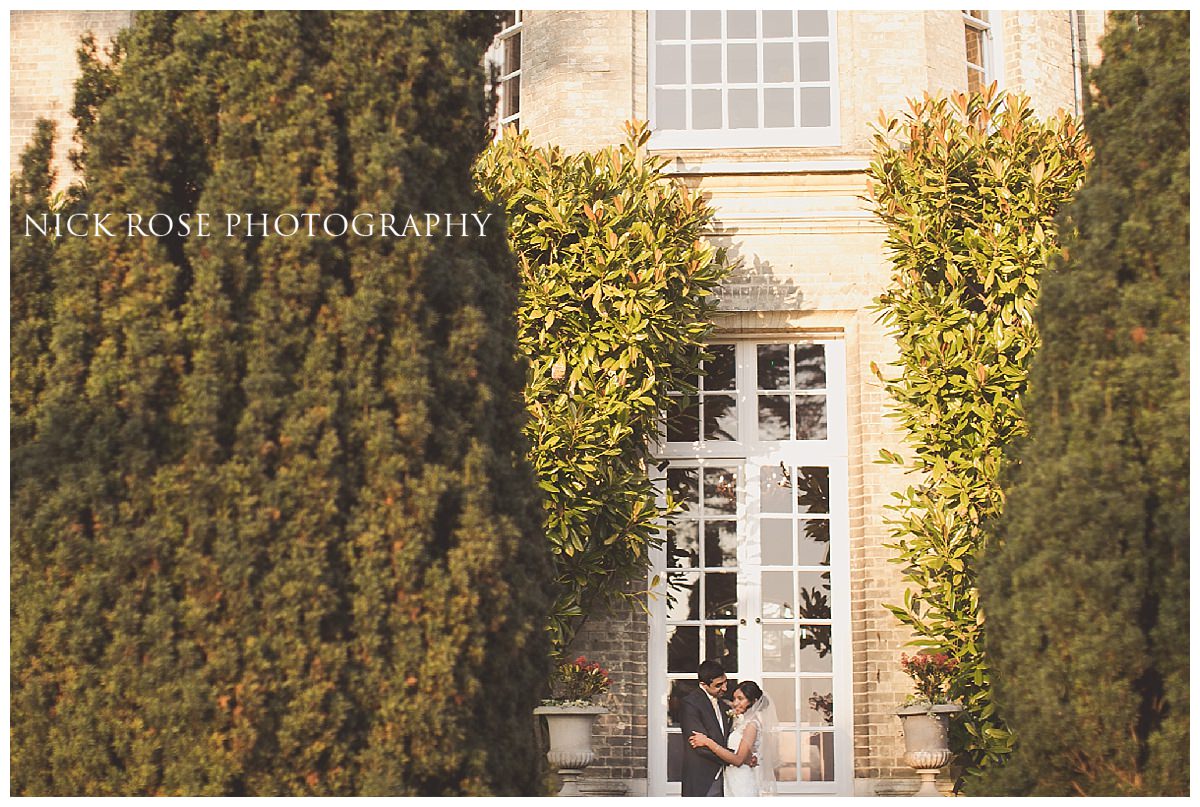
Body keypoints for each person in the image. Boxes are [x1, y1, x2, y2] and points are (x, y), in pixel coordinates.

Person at [688, 681, 778, 797]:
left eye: (740, 699)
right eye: (734, 698)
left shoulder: (752, 725)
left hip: (743, 781)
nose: (735, 703)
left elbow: (738, 760)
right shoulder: (740, 721)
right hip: (731, 780)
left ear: (753, 701)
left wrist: (707, 742)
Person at [678, 660, 731, 796]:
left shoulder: (724, 703)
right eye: (719, 685)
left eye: (725, 682)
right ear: (703, 684)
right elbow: (700, 746)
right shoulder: (690, 704)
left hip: (728, 779)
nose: (725, 688)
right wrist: (734, 758)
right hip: (703, 779)